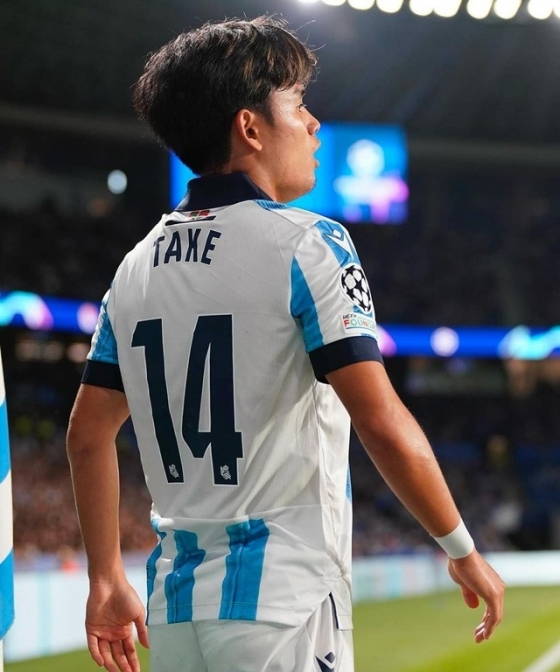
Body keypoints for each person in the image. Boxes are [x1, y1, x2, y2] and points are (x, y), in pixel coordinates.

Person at [66, 16, 504, 672]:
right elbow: (379, 419)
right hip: (283, 603)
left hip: (175, 611)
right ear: (250, 128)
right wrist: (462, 548)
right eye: (298, 105)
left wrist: (104, 578)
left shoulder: (135, 267)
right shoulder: (309, 242)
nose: (314, 124)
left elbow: (86, 434)